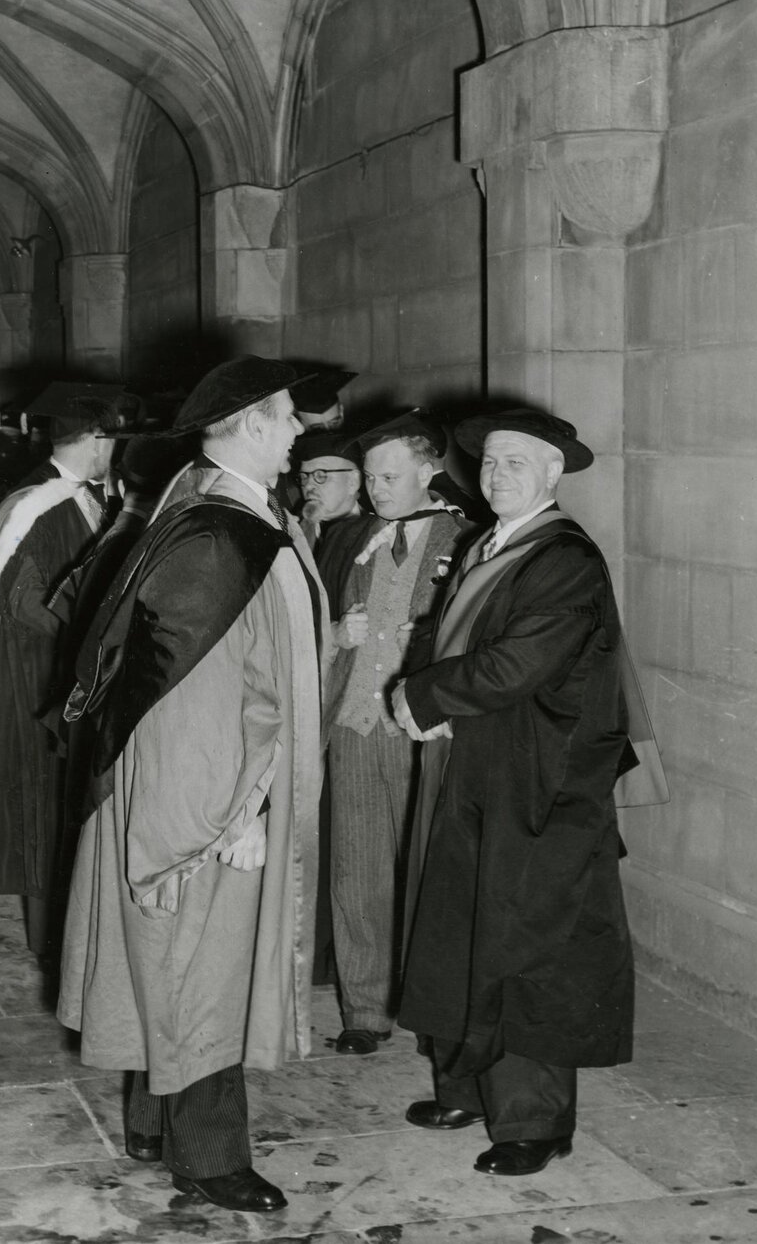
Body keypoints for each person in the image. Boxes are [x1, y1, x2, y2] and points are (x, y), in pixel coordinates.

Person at [57, 355, 329, 1214]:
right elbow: (197, 700)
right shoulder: (222, 536)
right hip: (202, 787)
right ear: (251, 421)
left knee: (162, 953)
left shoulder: (213, 507)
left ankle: (151, 1120)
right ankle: (207, 1156)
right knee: (200, 961)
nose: (297, 432)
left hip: (189, 774)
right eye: (288, 418)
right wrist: (231, 813)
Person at [392, 408, 646, 1177]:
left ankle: (534, 1121)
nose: (497, 476)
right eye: (490, 463)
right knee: (462, 929)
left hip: (542, 782)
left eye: (515, 464)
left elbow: (517, 667)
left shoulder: (562, 557)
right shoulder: (488, 542)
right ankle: (467, 1083)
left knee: (529, 945)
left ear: (551, 473)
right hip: (481, 769)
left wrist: (421, 697)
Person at [0, 384, 129, 964]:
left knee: (67, 809)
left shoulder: (86, 496)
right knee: (44, 808)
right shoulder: (35, 504)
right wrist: (97, 634)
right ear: (96, 439)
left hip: (73, 679)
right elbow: (23, 601)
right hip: (42, 684)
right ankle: (51, 945)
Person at [322, 410, 469, 1056]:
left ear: (429, 470)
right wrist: (336, 636)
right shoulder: (353, 538)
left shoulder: (464, 540)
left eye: (389, 476)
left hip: (422, 732)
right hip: (356, 722)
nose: (377, 488)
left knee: (428, 870)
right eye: (372, 477)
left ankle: (431, 1005)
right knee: (357, 868)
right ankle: (364, 1007)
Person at [295, 430, 364, 553]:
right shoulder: (291, 528)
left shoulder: (376, 532)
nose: (308, 485)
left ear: (353, 481)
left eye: (321, 476)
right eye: (304, 477)